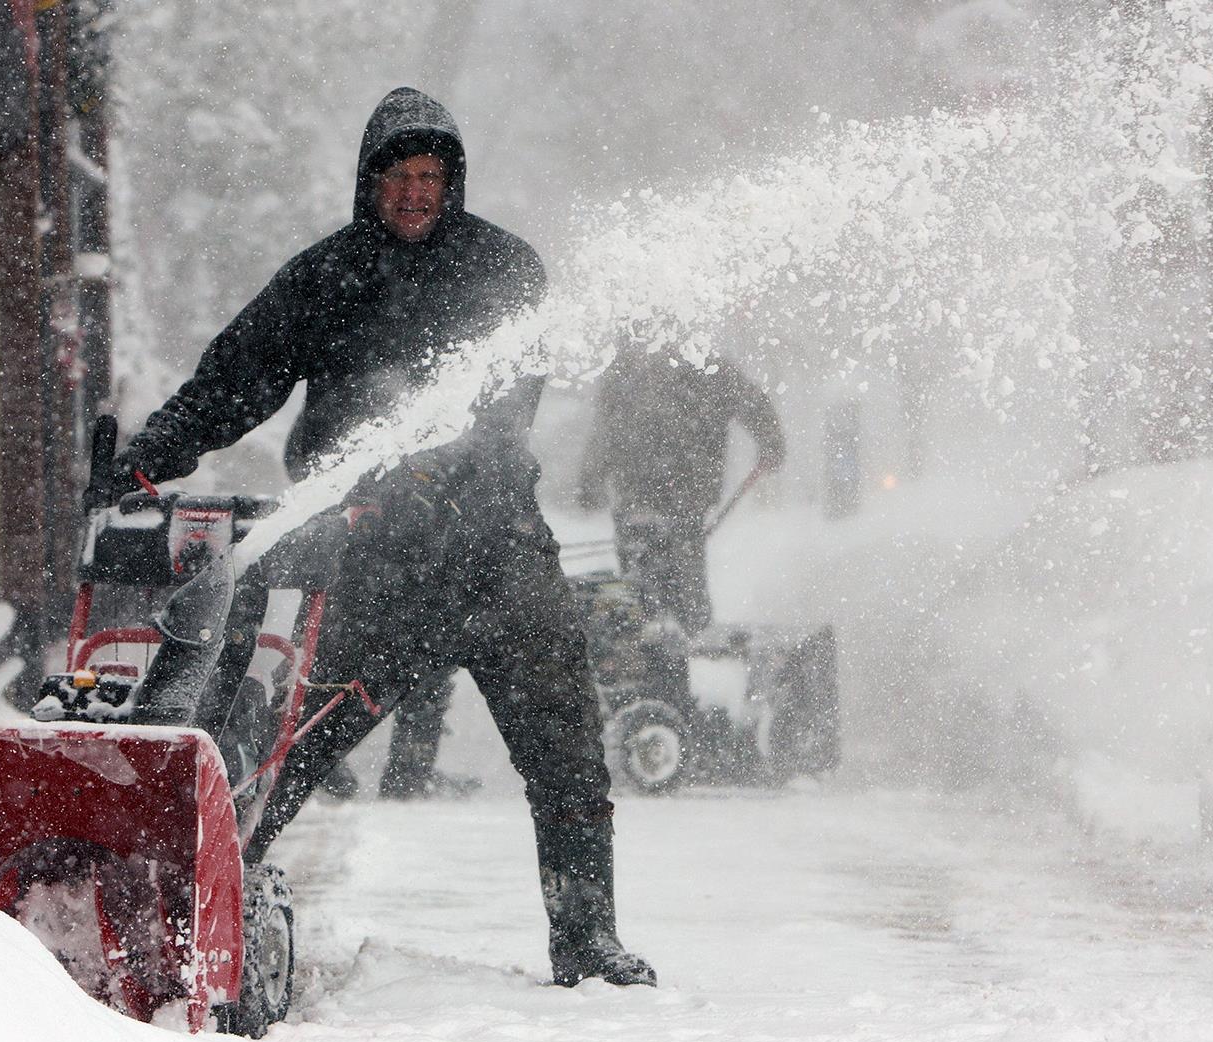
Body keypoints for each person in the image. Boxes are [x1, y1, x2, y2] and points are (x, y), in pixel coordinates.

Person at [89, 87, 654, 988]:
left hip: (498, 554)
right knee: (282, 749)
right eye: (399, 176)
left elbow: (509, 403)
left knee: (568, 756)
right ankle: (205, 928)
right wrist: (150, 458)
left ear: (453, 182)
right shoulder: (325, 277)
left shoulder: (505, 270)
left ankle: (588, 940)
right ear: (371, 181)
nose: (415, 194)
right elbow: (233, 384)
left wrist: (446, 475)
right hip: (371, 566)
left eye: (431, 177)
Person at [577, 341, 787, 634]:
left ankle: (646, 637)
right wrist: (771, 443)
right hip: (684, 490)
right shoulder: (705, 365)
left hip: (641, 490)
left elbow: (604, 429)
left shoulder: (626, 369)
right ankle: (687, 636)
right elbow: (752, 403)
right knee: (683, 569)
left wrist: (590, 480)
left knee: (639, 574)